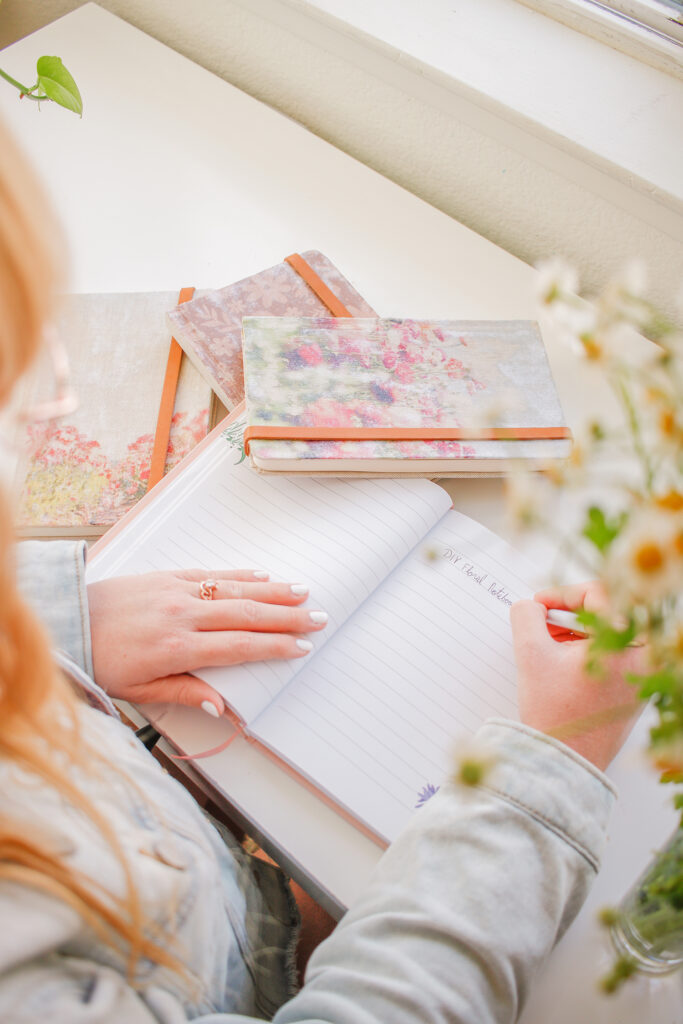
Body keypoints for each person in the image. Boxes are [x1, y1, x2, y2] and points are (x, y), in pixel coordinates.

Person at [0, 115, 644, 1024]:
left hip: (210, 894)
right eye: (14, 394)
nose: (42, 420)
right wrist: (553, 768)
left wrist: (46, 622)